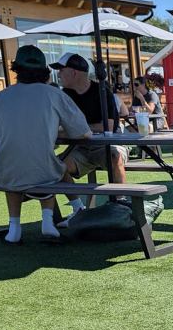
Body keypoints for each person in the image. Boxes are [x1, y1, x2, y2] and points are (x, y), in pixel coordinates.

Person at [0, 45, 91, 243]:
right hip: (44, 170)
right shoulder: (55, 94)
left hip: (7, 171)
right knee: (49, 165)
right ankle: (48, 222)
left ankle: (14, 229)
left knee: (13, 165)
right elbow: (83, 133)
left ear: (16, 69)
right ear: (45, 71)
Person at [53, 53, 128, 226]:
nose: (58, 74)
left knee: (115, 157)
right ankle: (78, 209)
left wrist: (76, 129)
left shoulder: (102, 92)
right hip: (79, 148)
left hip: (106, 145)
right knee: (57, 166)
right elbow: (58, 126)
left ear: (74, 72)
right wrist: (79, 130)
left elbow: (108, 127)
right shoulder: (65, 95)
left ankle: (121, 205)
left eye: (61, 70)